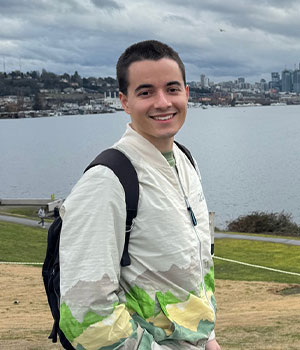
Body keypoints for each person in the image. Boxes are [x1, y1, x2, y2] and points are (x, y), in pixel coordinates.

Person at [59, 40, 221, 350]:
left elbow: (198, 265)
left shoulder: (185, 161)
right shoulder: (107, 180)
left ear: (187, 93)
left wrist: (209, 338)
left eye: (172, 89)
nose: (162, 102)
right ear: (124, 101)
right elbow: (86, 314)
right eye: (146, 92)